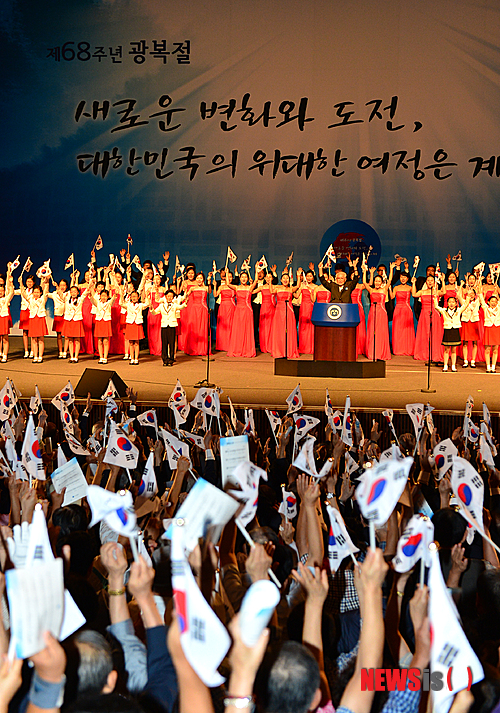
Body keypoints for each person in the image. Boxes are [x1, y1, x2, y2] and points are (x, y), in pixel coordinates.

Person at [362, 263, 393, 361]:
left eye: (379, 281)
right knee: (372, 331)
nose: (377, 283)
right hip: (373, 312)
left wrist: (391, 269)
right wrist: (367, 272)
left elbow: (390, 280)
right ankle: (372, 351)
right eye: (376, 281)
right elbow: (364, 282)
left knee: (381, 332)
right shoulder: (371, 290)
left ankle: (381, 352)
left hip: (382, 312)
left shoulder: (384, 290)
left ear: (381, 282)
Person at [149, 289, 186, 366]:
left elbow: (181, 307)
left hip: (172, 325)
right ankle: (165, 359)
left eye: (171, 296)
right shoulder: (161, 305)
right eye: (168, 296)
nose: (169, 298)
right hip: (164, 325)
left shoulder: (174, 305)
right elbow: (155, 312)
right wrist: (151, 308)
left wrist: (185, 303)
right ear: (165, 297)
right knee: (164, 343)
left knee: (172, 343)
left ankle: (171, 359)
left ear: (173, 297)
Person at [412, 274, 444, 362]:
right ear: (426, 282)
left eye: (432, 280)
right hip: (424, 313)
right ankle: (423, 353)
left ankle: (435, 353)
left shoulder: (436, 292)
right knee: (424, 333)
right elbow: (414, 294)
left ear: (434, 282)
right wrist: (414, 283)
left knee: (436, 334)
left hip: (435, 313)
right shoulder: (422, 291)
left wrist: (443, 280)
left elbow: (443, 292)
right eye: (428, 280)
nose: (430, 282)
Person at [225, 270, 258, 358]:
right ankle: (237, 349)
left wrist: (256, 270)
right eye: (242, 277)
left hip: (247, 310)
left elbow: (256, 281)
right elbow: (228, 284)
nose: (244, 279)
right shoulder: (237, 287)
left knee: (247, 329)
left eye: (245, 277)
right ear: (240, 278)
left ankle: (247, 350)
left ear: (247, 278)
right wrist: (227, 273)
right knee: (238, 329)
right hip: (238, 310)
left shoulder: (250, 287)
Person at [434, 294, 470, 372]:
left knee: (454, 350)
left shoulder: (458, 310)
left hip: (455, 330)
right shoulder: (444, 310)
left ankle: (453, 365)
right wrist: (435, 297)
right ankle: (445, 365)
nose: (451, 303)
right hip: (447, 330)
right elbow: (436, 306)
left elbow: (466, 305)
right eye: (449, 302)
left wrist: (468, 296)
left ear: (456, 303)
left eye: (453, 302)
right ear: (447, 303)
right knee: (446, 350)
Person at [270, 272, 299, 359]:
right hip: (279, 311)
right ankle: (279, 350)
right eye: (284, 278)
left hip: (289, 311)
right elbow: (271, 291)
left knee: (289, 330)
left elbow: (297, 286)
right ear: (281, 280)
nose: (285, 280)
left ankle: (289, 350)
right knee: (279, 330)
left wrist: (298, 276)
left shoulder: (290, 289)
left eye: (287, 278)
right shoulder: (277, 289)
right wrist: (270, 281)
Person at [20, 275, 49, 363]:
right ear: (32, 293)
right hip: (32, 319)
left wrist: (46, 280)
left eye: (37, 292)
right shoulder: (30, 299)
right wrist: (20, 283)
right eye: (34, 292)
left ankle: (40, 356)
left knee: (40, 339)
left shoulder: (43, 299)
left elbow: (46, 290)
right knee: (33, 339)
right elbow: (23, 293)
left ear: (40, 293)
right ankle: (35, 356)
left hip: (40, 319)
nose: (36, 294)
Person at [182, 272, 211, 356]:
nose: (199, 280)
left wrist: (209, 282)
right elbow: (185, 296)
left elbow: (209, 291)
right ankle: (193, 348)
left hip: (203, 309)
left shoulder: (206, 288)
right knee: (193, 328)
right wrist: (185, 291)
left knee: (202, 329)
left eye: (201, 278)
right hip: (194, 309)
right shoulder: (192, 288)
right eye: (197, 278)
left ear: (203, 280)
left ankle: (201, 349)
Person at [89, 284, 117, 365]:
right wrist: (90, 293)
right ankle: (101, 357)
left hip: (106, 322)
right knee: (99, 341)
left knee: (105, 341)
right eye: (102, 295)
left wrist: (115, 293)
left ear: (108, 296)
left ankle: (105, 357)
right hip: (99, 322)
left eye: (105, 296)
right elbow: (92, 300)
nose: (103, 297)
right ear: (100, 296)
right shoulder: (97, 303)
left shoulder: (109, 303)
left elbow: (114, 298)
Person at [390, 271, 415, 356]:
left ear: (407, 278)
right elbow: (392, 296)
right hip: (398, 309)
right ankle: (398, 349)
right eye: (401, 277)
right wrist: (389, 287)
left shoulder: (410, 287)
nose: (403, 279)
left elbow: (414, 294)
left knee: (406, 330)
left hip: (407, 309)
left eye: (404, 277)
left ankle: (407, 349)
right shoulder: (396, 287)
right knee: (398, 330)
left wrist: (414, 283)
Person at [120, 290, 148, 365]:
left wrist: (147, 295)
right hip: (130, 324)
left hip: (137, 324)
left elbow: (147, 304)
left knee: (136, 343)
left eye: (135, 296)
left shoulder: (140, 305)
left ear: (138, 297)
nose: (134, 298)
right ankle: (131, 358)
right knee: (131, 342)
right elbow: (121, 303)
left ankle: (136, 358)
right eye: (132, 296)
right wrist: (121, 295)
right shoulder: (128, 305)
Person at [459, 274, 481, 368]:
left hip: (474, 322)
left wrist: (479, 283)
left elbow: (480, 294)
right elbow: (458, 295)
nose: (471, 295)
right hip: (466, 322)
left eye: (473, 293)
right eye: (469, 293)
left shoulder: (477, 302)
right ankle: (465, 360)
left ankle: (473, 360)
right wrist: (462, 285)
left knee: (475, 342)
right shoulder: (464, 302)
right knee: (465, 343)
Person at [63, 284, 88, 363]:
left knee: (77, 340)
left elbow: (86, 292)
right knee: (70, 340)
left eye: (75, 292)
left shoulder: (80, 299)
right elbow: (60, 293)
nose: (73, 293)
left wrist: (90, 283)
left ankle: (76, 356)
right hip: (69, 320)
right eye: (72, 292)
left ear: (78, 293)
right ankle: (71, 356)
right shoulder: (67, 299)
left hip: (77, 320)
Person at [213, 270, 236, 352]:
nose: (229, 278)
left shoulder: (234, 287)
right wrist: (215, 286)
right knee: (223, 325)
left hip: (232, 306)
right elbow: (215, 295)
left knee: (231, 325)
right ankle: (222, 344)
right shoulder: (221, 287)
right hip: (223, 307)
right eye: (227, 276)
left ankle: (231, 344)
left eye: (230, 277)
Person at [48, 278, 69, 359]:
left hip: (66, 316)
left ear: (66, 286)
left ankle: (65, 352)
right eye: (61, 285)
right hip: (57, 316)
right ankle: (60, 351)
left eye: (64, 285)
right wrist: (46, 281)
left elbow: (63, 297)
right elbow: (45, 294)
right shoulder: (54, 294)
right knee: (59, 335)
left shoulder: (68, 294)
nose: (62, 287)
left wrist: (57, 287)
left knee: (67, 336)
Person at [479, 290, 500, 372]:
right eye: (492, 301)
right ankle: (488, 366)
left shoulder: (499, 309)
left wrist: (497, 291)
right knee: (487, 349)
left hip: (497, 329)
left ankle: (493, 366)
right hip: (488, 329)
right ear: (488, 302)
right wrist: (480, 291)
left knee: (495, 349)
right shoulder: (486, 308)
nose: (493, 303)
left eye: (495, 301)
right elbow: (481, 299)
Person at [0, 266, 14, 362]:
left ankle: (5, 355)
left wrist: (9, 271)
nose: (0, 292)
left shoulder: (6, 299)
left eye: (2, 291)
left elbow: (11, 291)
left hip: (4, 317)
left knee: (5, 337)